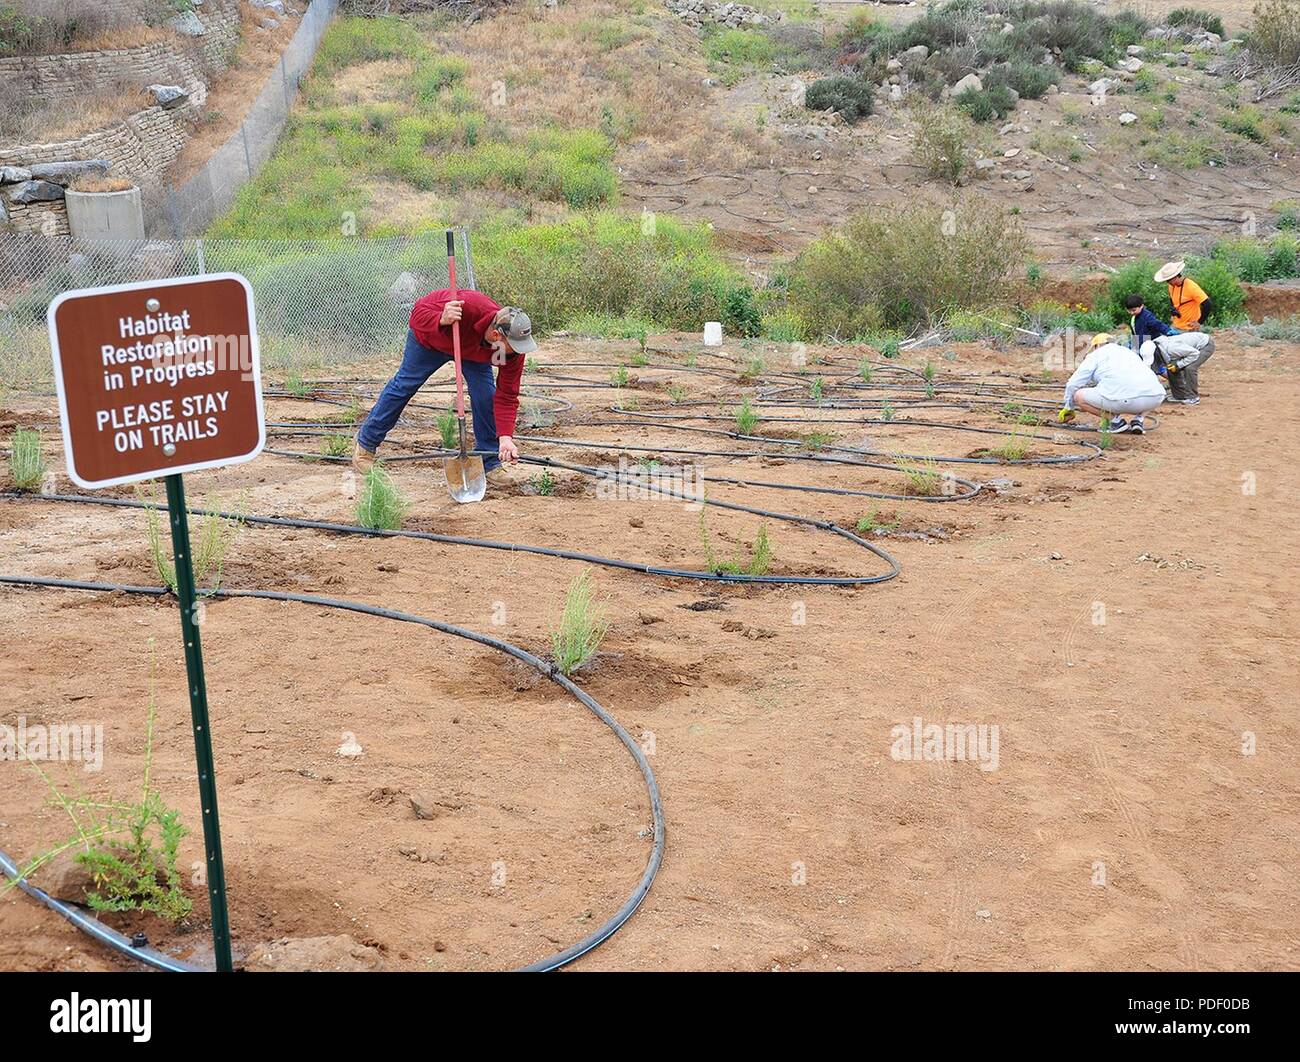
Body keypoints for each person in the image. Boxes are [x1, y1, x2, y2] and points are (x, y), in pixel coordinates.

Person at [353, 288, 538, 475]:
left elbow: (507, 395)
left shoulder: (508, 352)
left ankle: (489, 461)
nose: (518, 351)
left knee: (484, 394)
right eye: (515, 346)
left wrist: (505, 437)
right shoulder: (469, 305)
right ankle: (366, 445)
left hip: (473, 353)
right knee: (404, 386)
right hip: (433, 342)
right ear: (497, 335)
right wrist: (441, 318)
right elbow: (417, 313)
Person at [1059, 333, 1165, 435]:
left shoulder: (1096, 355)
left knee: (1078, 396)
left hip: (1124, 401)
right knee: (1148, 390)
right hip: (1155, 398)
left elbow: (1073, 384)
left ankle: (1116, 422)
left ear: (1096, 346)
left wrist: (1069, 407)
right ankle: (1138, 420)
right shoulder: (1129, 352)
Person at [1140, 332, 1215, 406]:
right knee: (1171, 368)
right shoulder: (1155, 346)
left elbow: (1194, 354)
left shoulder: (1171, 348)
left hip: (1204, 345)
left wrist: (1179, 365)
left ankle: (1193, 398)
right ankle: (1179, 396)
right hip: (1188, 351)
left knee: (1189, 368)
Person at [1154, 260, 1213, 332]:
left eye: (1168, 280)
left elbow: (1208, 304)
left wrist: (1199, 322)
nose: (1167, 283)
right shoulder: (1171, 286)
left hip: (1189, 328)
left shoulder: (1191, 287)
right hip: (1176, 325)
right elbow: (1172, 299)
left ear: (1175, 277)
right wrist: (1173, 312)